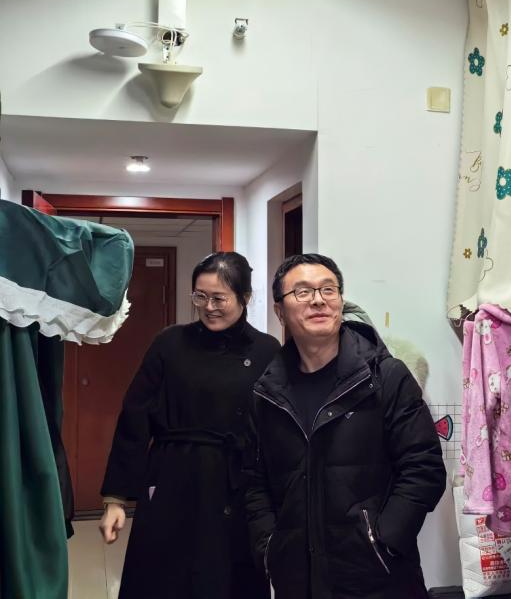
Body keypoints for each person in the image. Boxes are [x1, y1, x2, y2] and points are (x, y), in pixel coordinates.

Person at [245, 253, 446, 598]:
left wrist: (385, 541)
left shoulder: (385, 376)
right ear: (280, 311)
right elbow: (253, 481)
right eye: (303, 292)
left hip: (379, 579)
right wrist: (270, 548)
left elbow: (423, 467)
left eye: (328, 289)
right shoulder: (268, 392)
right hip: (298, 580)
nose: (318, 300)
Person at [99, 252, 281, 599]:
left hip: (235, 487)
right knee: (163, 580)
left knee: (227, 580)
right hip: (171, 477)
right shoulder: (170, 343)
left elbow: (277, 433)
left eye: (219, 298)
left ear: (244, 297)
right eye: (200, 296)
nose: (208, 307)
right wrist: (115, 499)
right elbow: (135, 418)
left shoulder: (266, 351)